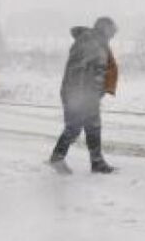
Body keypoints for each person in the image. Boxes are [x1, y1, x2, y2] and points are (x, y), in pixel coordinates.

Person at [49, 16, 119, 174]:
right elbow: (79, 69)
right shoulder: (90, 42)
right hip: (80, 94)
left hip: (85, 94)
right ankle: (57, 158)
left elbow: (99, 69)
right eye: (112, 31)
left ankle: (96, 162)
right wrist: (84, 95)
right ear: (104, 29)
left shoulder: (96, 42)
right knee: (74, 127)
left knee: (92, 128)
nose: (113, 35)